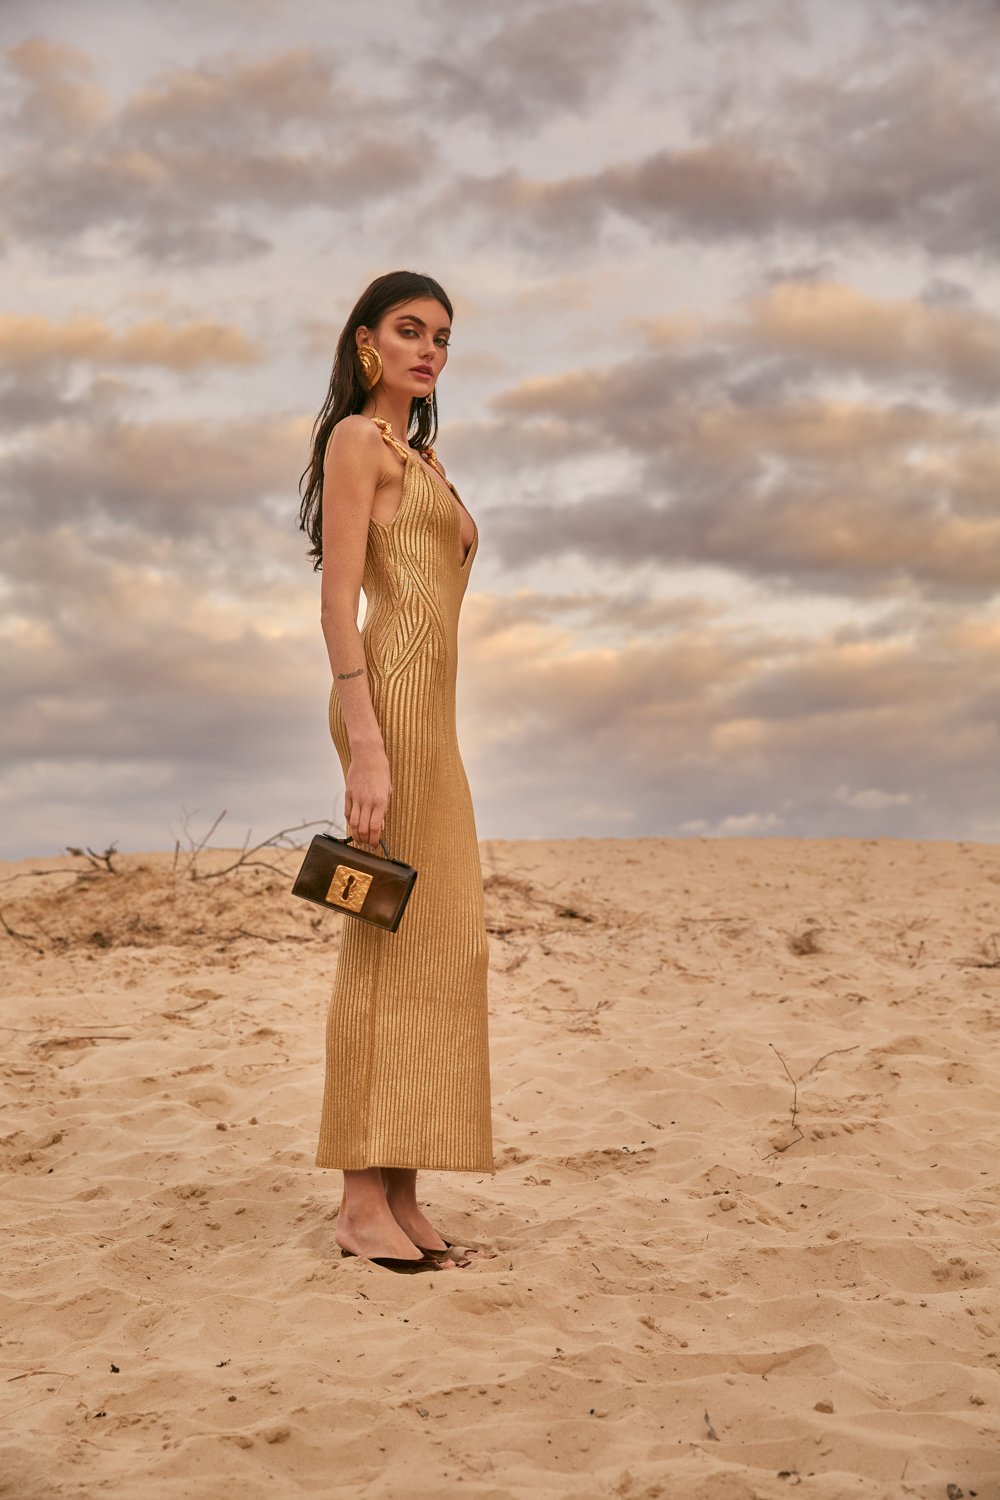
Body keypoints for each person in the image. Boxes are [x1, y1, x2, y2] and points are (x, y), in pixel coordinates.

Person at [298, 270, 494, 1275]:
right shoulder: (355, 443)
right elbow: (338, 602)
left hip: (434, 717)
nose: (429, 350)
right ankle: (356, 1197)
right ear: (367, 343)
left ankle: (403, 1182)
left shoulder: (422, 456)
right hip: (390, 706)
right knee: (383, 937)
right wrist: (365, 743)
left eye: (444, 338)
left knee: (443, 940)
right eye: (409, 331)